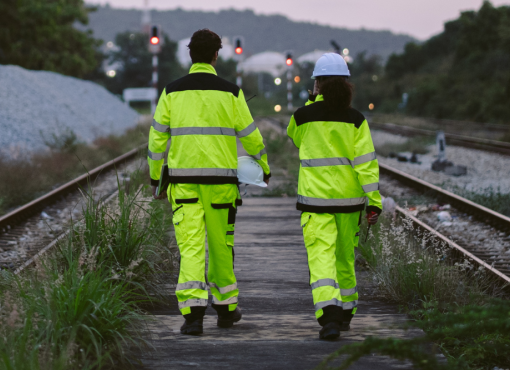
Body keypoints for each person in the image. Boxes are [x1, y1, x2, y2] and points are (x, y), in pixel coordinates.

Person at [149, 28, 270, 336]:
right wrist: (264, 167)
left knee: (190, 247)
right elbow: (251, 135)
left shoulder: (171, 91)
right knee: (221, 245)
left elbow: (156, 139)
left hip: (183, 184)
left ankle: (192, 317)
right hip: (221, 185)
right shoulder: (231, 92)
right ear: (217, 55)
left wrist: (155, 178)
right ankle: (227, 310)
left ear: (191, 54)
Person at [287, 52, 381, 341]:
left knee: (321, 259)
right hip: (350, 204)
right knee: (344, 259)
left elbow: (295, 137)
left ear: (317, 85)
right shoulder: (356, 120)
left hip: (316, 204)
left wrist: (312, 101)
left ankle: (328, 316)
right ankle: (346, 313)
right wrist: (374, 201)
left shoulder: (302, 117)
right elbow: (366, 164)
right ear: (347, 85)